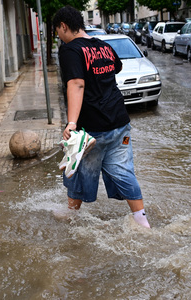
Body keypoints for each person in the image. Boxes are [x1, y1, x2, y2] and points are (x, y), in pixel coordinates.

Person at [53, 6, 151, 229]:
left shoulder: (70, 50)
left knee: (75, 165)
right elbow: (116, 67)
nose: (58, 35)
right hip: (120, 122)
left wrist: (71, 123)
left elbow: (77, 83)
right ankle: (141, 219)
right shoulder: (104, 46)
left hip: (93, 127)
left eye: (57, 30)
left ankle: (71, 213)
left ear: (63, 26)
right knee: (123, 170)